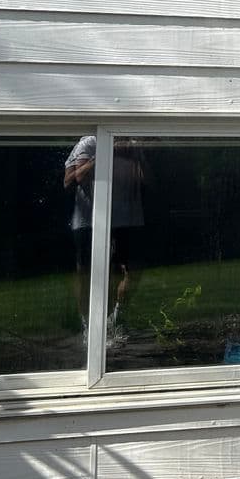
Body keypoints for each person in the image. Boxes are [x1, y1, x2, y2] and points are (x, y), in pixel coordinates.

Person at [64, 135, 146, 343]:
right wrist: (104, 154)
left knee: (131, 270)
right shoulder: (89, 143)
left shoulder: (132, 146)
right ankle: (88, 327)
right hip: (91, 220)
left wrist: (135, 158)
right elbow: (73, 179)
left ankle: (116, 320)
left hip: (125, 219)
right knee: (87, 273)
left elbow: (145, 180)